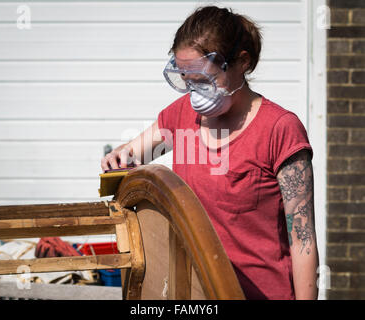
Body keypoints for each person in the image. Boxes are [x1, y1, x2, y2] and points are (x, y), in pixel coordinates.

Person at [101, 6, 319, 300]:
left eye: (204, 80)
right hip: (193, 296)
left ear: (241, 62)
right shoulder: (181, 118)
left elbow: (302, 240)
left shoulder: (280, 129)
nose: (195, 92)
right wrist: (120, 157)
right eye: (187, 81)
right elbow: (132, 156)